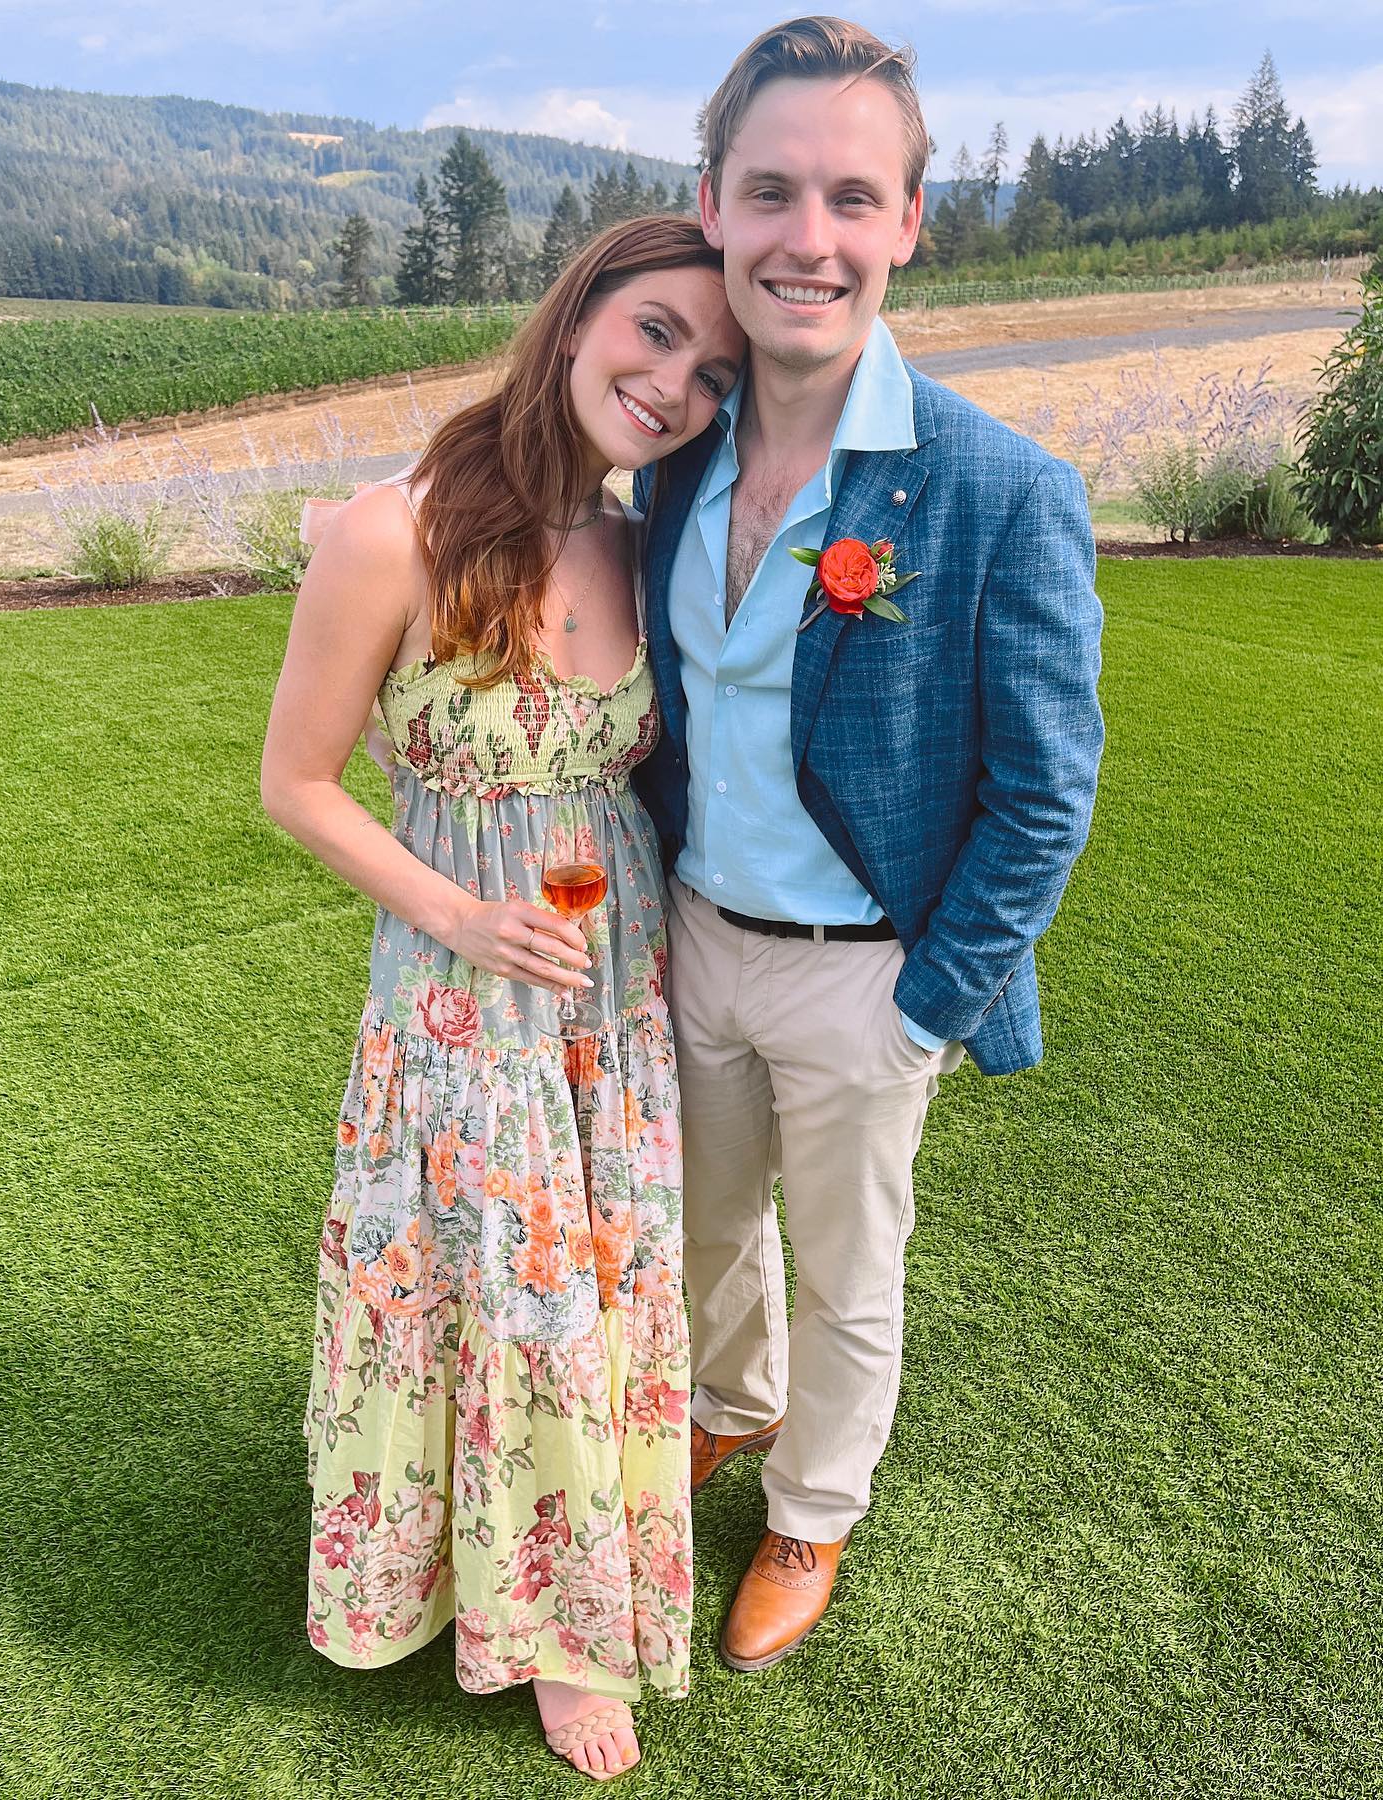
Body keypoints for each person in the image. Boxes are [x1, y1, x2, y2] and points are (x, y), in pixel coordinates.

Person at [632, 16, 1106, 1672]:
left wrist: (927, 1007)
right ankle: (728, 1406)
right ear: (713, 204)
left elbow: (1045, 793)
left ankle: (813, 1512)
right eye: (771, 191)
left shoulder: (999, 488)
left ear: (910, 220)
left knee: (847, 1270)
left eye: (851, 196)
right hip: (695, 938)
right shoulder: (673, 455)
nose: (807, 238)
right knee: (704, 1233)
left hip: (868, 974)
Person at [260, 215, 745, 1781]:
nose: (673, 383)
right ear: (579, 311)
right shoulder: (391, 533)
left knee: (591, 1289)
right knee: (486, 1285)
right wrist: (462, 914)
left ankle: (570, 1618)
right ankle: (480, 1602)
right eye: (657, 330)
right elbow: (296, 783)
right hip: (463, 996)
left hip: (615, 994)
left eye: (713, 372)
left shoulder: (645, 543)